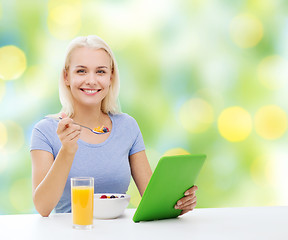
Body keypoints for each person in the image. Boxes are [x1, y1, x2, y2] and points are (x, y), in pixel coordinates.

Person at [30, 35, 198, 217]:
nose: (91, 80)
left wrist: (179, 204)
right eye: (81, 71)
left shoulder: (127, 126)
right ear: (66, 77)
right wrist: (67, 151)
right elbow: (42, 207)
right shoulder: (45, 131)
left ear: (111, 77)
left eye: (100, 72)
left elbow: (152, 200)